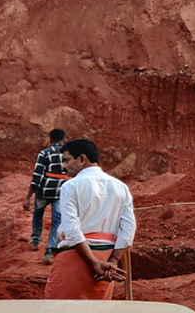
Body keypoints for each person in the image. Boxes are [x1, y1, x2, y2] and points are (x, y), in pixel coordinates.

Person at [44, 139, 135, 300]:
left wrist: (94, 263)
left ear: (81, 159)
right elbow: (128, 230)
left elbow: (72, 230)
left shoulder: (70, 186)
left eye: (66, 160)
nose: (63, 166)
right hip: (106, 263)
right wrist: (112, 262)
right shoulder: (121, 188)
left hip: (76, 259)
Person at [24, 128, 68, 265]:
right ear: (64, 139)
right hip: (60, 192)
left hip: (43, 191)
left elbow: (37, 175)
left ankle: (35, 240)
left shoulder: (44, 153)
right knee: (57, 221)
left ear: (50, 140)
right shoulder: (69, 155)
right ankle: (50, 251)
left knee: (38, 213)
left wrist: (28, 196)